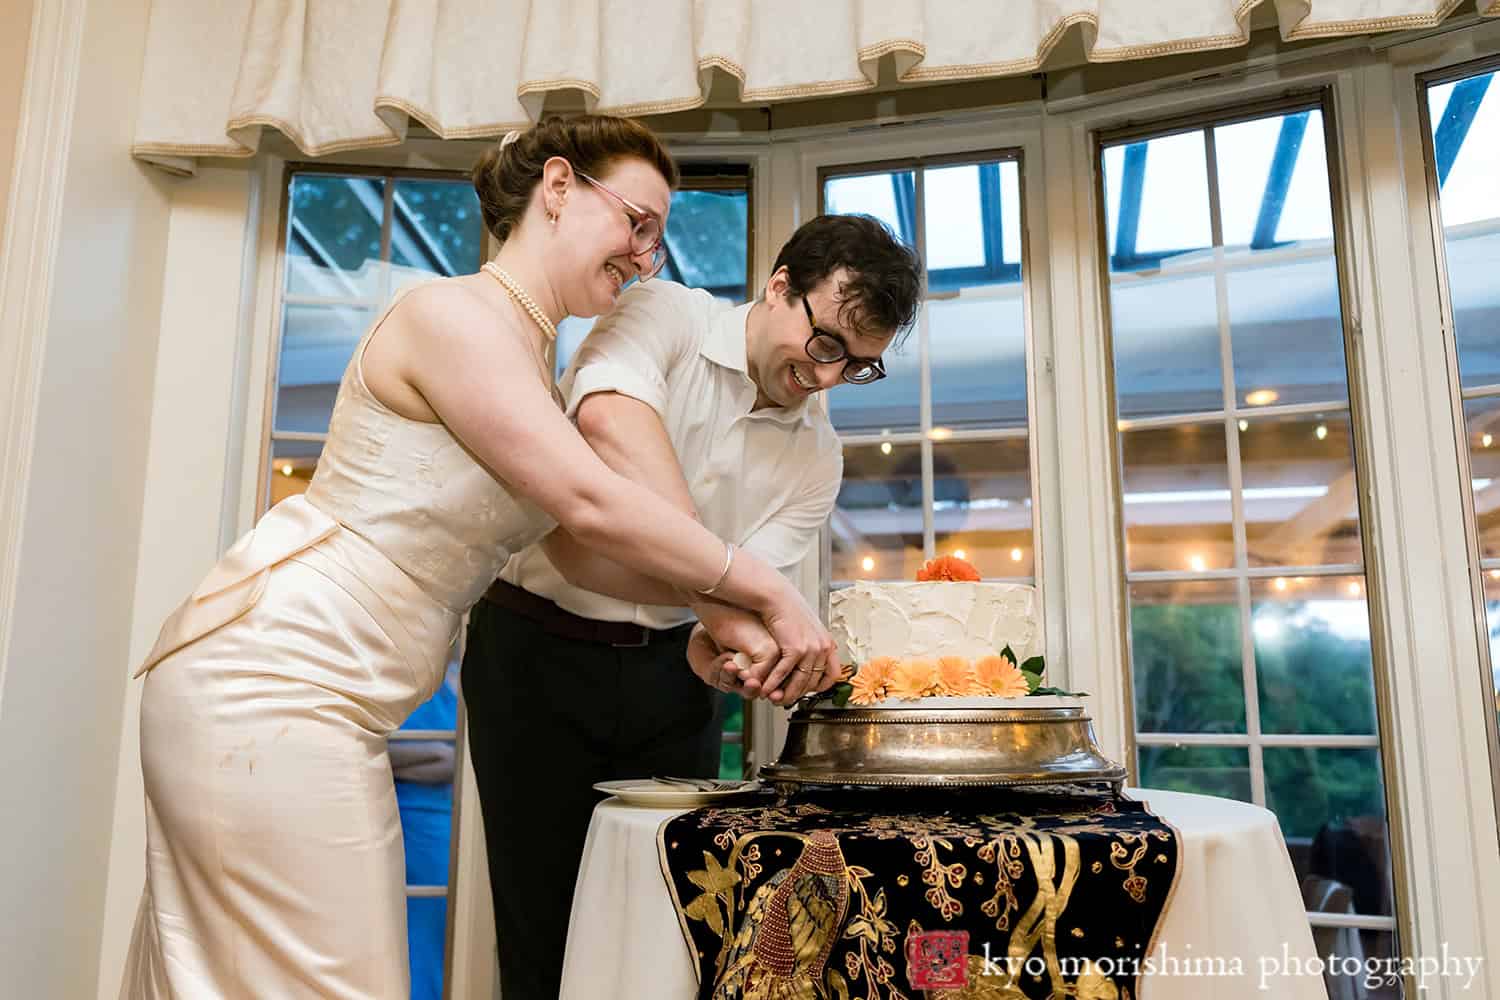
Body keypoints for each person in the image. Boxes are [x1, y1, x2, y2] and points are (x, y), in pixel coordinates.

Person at [117, 114, 840, 1000]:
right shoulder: (449, 315)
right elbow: (591, 500)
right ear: (560, 186)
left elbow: (579, 557)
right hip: (271, 675)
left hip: (334, 698)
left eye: (660, 238)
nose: (647, 256)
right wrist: (766, 591)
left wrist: (715, 627)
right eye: (637, 223)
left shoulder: (533, 368)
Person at [462, 213, 922, 999]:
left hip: (675, 687)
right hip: (534, 653)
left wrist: (740, 644)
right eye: (824, 345)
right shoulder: (665, 312)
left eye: (859, 366)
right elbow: (606, 426)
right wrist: (740, 603)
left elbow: (727, 611)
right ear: (780, 287)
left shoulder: (819, 458)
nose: (828, 378)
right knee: (541, 923)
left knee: (669, 924)